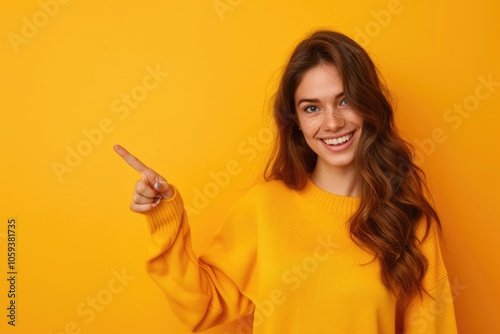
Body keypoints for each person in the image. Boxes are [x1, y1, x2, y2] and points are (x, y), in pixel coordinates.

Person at [114, 30, 458, 333]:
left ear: (370, 106)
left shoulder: (409, 222)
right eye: (312, 108)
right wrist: (166, 219)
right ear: (295, 121)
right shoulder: (263, 206)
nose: (333, 122)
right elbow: (204, 306)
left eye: (345, 100)